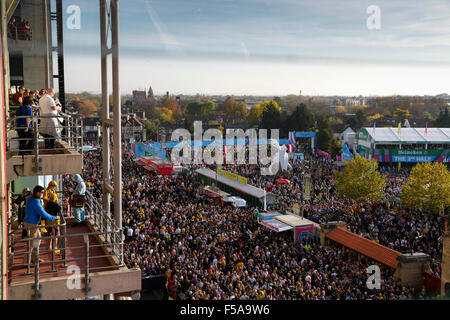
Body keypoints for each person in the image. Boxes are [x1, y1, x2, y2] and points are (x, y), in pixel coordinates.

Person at [23, 185, 60, 264]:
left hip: (32, 222)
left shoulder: (32, 199)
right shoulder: (35, 201)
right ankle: (27, 262)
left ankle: (34, 259)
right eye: (42, 192)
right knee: (32, 243)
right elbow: (42, 212)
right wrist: (54, 218)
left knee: (37, 240)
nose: (43, 194)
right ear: (37, 192)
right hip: (31, 223)